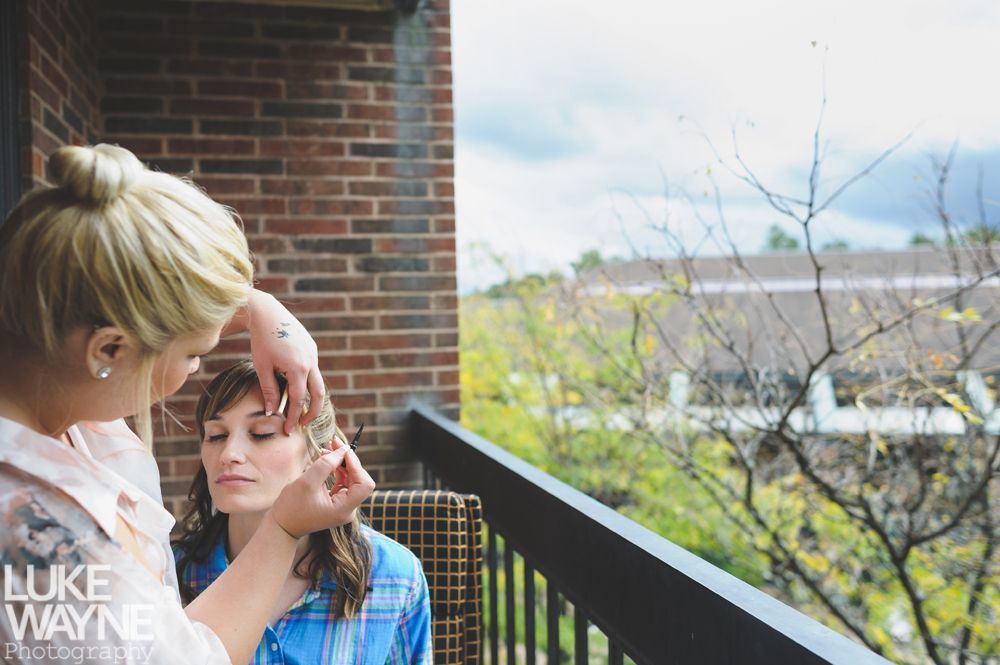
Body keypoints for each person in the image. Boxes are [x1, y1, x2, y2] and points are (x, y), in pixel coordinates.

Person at [0, 144, 376, 664]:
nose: (197, 368)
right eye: (194, 353)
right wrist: (284, 529)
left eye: (263, 432)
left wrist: (263, 311)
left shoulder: (51, 388)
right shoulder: (41, 539)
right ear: (108, 349)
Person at [174, 360, 433, 665]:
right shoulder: (166, 572)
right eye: (216, 435)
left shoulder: (395, 577)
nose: (229, 454)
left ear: (318, 452)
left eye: (261, 433)